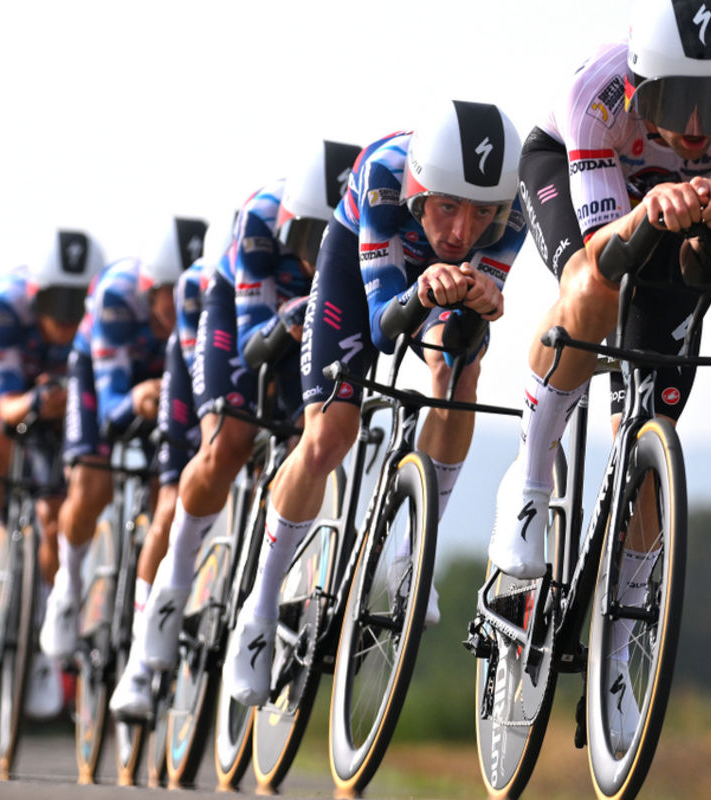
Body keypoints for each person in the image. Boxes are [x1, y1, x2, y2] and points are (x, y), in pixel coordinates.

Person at [489, 0, 711, 734]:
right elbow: (604, 258)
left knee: (646, 429)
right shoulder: (599, 92)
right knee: (587, 292)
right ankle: (528, 479)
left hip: (673, 218)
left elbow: (702, 270)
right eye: (676, 98)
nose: (694, 126)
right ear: (642, 80)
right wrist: (651, 211)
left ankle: (618, 657)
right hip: (579, 178)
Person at [224, 100, 528, 706]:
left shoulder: (512, 213)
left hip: (429, 286)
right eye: (447, 207)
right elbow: (385, 324)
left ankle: (415, 555)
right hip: (363, 268)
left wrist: (481, 305)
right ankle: (257, 611)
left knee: (460, 368)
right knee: (329, 435)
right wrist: (425, 289)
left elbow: (460, 322)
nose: (463, 232)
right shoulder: (383, 178)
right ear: (420, 191)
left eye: (480, 214)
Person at [109, 142, 360, 718]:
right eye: (305, 243)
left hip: (304, 318)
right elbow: (252, 346)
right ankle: (163, 607)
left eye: (326, 245)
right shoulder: (260, 219)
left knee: (315, 439)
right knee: (228, 442)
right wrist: (297, 314)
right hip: (227, 310)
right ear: (289, 225)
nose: (312, 259)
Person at [0, 229, 104, 715]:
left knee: (57, 516)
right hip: (2, 393)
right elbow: (6, 405)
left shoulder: (97, 325)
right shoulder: (6, 307)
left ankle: (39, 631)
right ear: (35, 298)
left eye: (76, 305)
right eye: (56, 303)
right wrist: (39, 400)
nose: (65, 317)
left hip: (54, 412)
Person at [38, 217, 208, 660]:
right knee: (92, 485)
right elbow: (113, 409)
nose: (178, 305)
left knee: (170, 488)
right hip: (104, 378)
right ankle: (69, 584)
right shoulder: (116, 298)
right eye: (168, 294)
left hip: (160, 380)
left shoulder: (197, 305)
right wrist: (136, 399)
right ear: (149, 289)